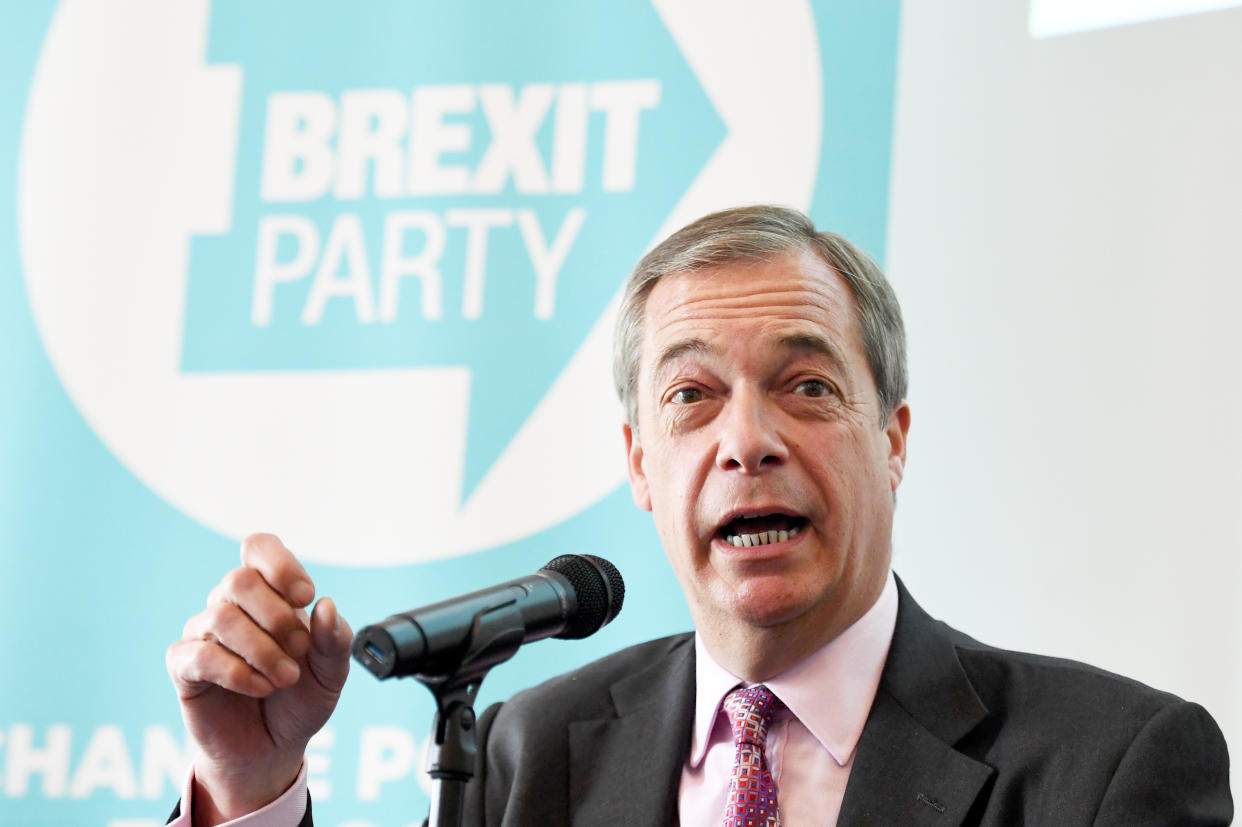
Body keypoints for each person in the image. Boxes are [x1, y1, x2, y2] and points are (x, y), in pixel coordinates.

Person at [166, 206, 1233, 826]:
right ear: (639, 460)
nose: (747, 439)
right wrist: (249, 784)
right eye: (692, 396)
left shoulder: (1110, 764)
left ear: (894, 436)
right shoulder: (524, 756)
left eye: (808, 386)